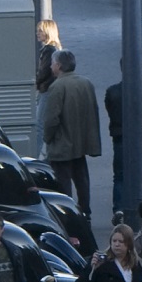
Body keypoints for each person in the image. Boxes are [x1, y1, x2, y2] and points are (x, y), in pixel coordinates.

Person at [43, 50, 102, 216]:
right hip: (81, 142)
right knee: (82, 178)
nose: (51, 66)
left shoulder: (57, 87)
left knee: (63, 182)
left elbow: (51, 119)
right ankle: (85, 211)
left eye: (53, 63)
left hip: (62, 143)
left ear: (59, 66)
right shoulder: (86, 83)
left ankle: (67, 213)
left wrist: (47, 138)